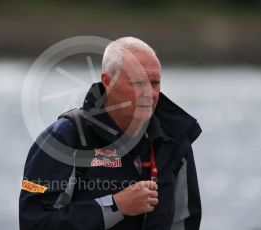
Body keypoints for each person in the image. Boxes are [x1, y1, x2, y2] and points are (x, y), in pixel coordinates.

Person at [19, 37, 202, 230]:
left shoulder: (173, 139)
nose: (149, 93)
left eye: (155, 83)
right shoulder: (63, 139)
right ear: (108, 82)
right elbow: (35, 223)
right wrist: (115, 206)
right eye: (138, 83)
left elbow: (184, 223)